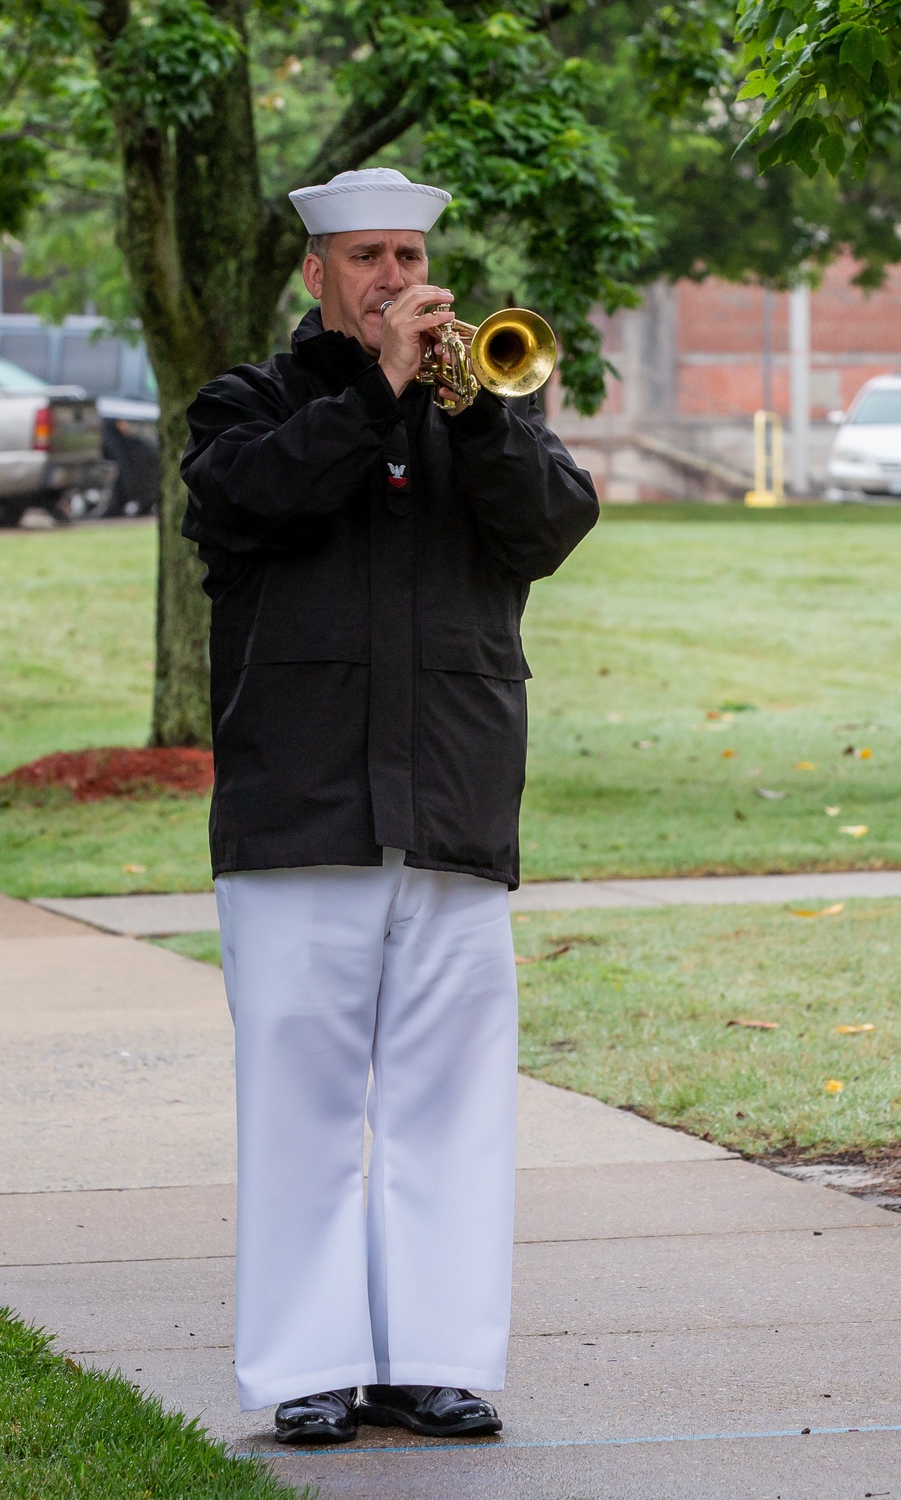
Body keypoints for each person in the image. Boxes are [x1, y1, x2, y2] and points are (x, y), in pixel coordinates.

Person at [181, 167, 598, 1444]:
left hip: (457, 799)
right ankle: (306, 1373)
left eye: (409, 255)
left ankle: (431, 1360)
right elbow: (252, 499)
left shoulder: (486, 403)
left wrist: (474, 417)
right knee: (300, 1112)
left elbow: (552, 525)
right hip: (299, 807)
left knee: (451, 1112)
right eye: (366, 258)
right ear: (316, 275)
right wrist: (381, 391)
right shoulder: (250, 403)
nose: (395, 280)